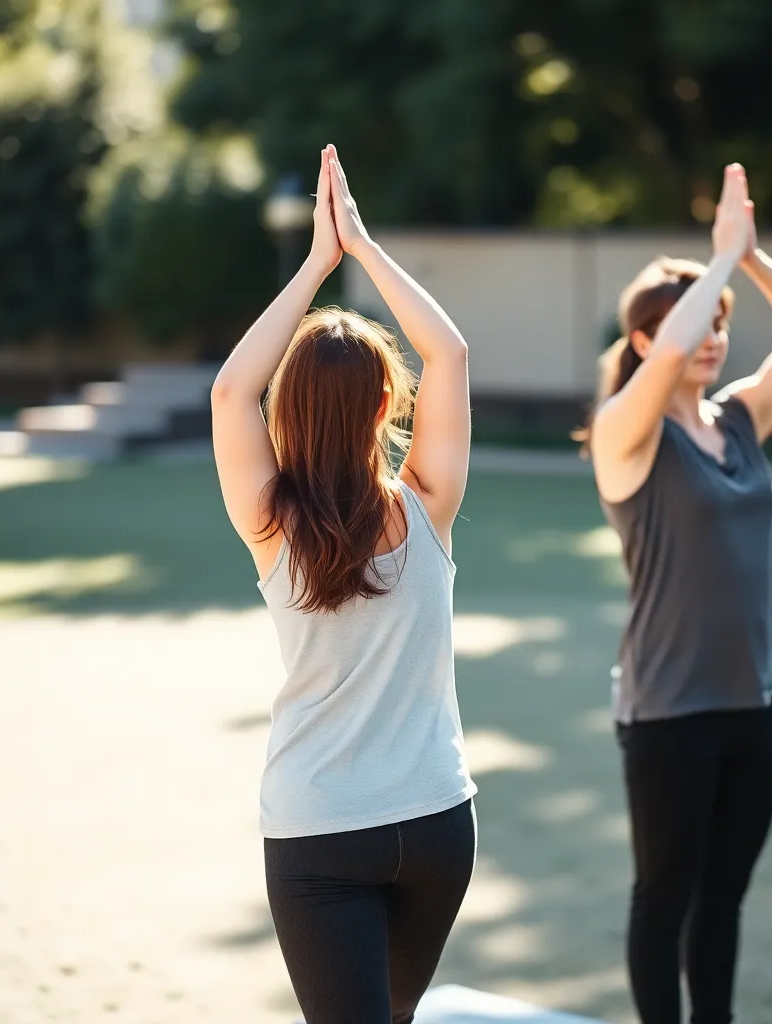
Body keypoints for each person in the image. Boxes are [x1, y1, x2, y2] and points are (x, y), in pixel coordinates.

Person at [210, 144, 477, 1024]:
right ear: (384, 407)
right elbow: (452, 352)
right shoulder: (428, 507)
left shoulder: (272, 523)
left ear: (289, 409)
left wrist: (316, 264)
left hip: (317, 832)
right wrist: (360, 249)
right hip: (437, 825)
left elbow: (227, 395)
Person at [578, 164, 772, 1024]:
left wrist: (751, 261)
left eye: (721, 325)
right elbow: (654, 373)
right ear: (648, 340)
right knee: (664, 901)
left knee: (722, 901)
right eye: (694, 324)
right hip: (668, 715)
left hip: (752, 706)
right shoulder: (627, 434)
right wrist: (718, 264)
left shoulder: (739, 419)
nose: (712, 337)